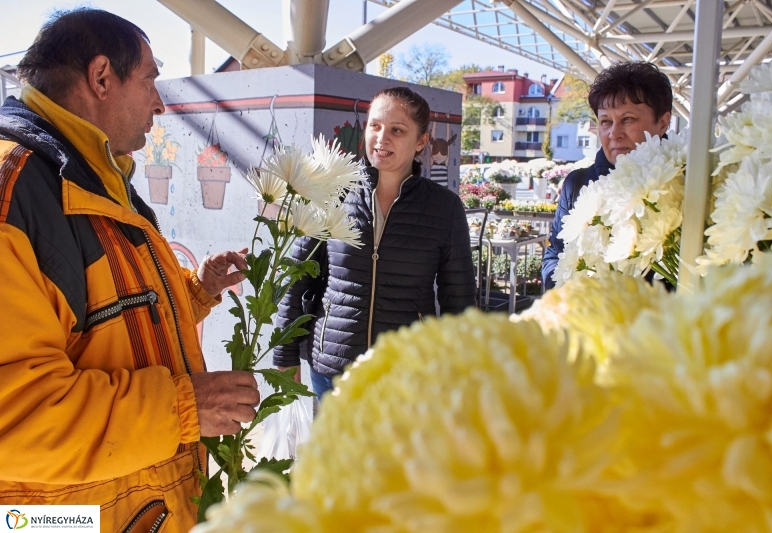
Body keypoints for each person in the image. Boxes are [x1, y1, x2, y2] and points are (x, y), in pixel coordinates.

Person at [0, 9, 260, 532]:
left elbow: (106, 321)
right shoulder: (16, 192)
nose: (160, 105)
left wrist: (196, 291)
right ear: (101, 78)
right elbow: (16, 418)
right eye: (150, 81)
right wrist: (185, 407)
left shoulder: (91, 175)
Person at [273, 87, 477, 398]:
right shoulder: (334, 193)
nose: (382, 139)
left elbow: (458, 299)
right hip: (333, 370)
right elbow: (296, 278)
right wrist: (284, 355)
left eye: (397, 130)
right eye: (375, 126)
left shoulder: (444, 208)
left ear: (421, 141)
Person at [541, 62, 672, 289]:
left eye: (628, 119)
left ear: (662, 122)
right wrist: (575, 288)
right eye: (605, 121)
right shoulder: (577, 184)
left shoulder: (685, 184)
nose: (614, 133)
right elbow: (554, 256)